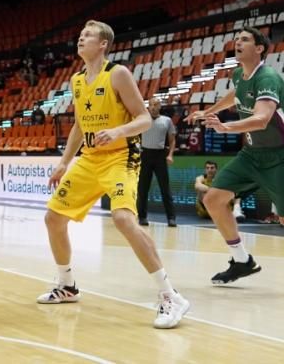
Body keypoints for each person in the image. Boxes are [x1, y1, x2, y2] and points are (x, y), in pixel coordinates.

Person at [39, 20, 189, 329]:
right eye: (80, 35)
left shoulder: (118, 74)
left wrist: (119, 130)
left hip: (121, 157)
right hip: (89, 158)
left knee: (123, 219)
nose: (81, 39)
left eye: (88, 36)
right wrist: (64, 161)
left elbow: (145, 118)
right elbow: (80, 126)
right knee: (53, 218)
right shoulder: (77, 80)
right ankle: (67, 285)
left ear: (103, 44)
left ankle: (170, 295)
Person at [189, 26, 283, 285]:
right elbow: (236, 95)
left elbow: (263, 119)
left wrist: (226, 127)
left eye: (244, 39)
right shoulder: (239, 75)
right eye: (236, 39)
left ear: (260, 48)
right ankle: (242, 261)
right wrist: (209, 110)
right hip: (251, 155)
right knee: (213, 199)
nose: (237, 42)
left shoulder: (268, 78)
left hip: (279, 156)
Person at [137, 98, 177, 227]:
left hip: (160, 155)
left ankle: (171, 218)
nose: (153, 107)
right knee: (143, 188)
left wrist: (170, 155)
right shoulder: (142, 119)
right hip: (145, 154)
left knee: (165, 188)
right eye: (151, 105)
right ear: (148, 107)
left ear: (160, 106)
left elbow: (172, 140)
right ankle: (142, 217)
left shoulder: (167, 120)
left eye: (156, 105)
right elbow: (134, 135)